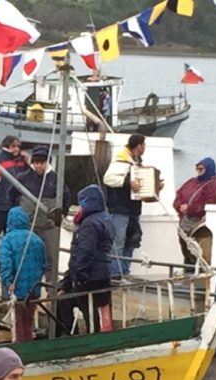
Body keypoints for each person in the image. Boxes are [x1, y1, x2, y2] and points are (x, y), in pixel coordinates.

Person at [18, 145, 71, 286]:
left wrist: (63, 213)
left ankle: (51, 287)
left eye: (42, 162)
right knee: (28, 256)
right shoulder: (23, 178)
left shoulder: (56, 179)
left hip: (49, 226)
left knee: (51, 258)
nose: (39, 166)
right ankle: (29, 286)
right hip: (29, 225)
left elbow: (66, 196)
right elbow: (11, 194)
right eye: (36, 162)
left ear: (47, 162)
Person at [67, 185, 116, 333]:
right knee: (103, 311)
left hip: (90, 276)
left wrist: (79, 275)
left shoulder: (89, 224)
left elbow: (85, 251)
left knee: (91, 314)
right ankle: (105, 336)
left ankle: (93, 338)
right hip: (103, 272)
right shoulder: (105, 218)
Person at [0, 207, 46, 342]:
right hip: (34, 287)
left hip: (16, 287)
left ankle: (19, 346)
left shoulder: (7, 240)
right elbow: (43, 263)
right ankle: (29, 344)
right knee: (28, 320)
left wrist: (8, 281)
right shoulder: (37, 239)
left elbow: (5, 263)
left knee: (17, 321)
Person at [103, 133, 148, 279]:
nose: (144, 148)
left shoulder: (136, 161)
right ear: (139, 145)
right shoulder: (121, 160)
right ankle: (115, 274)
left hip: (133, 208)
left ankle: (125, 271)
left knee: (132, 240)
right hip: (120, 208)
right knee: (118, 241)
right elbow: (108, 179)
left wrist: (153, 187)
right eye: (144, 145)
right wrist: (127, 183)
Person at [173, 157, 216, 266]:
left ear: (208, 169)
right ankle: (188, 267)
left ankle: (200, 268)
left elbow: (211, 204)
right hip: (185, 221)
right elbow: (179, 194)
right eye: (197, 169)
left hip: (200, 223)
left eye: (201, 169)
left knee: (202, 253)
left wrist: (190, 208)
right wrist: (179, 206)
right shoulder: (191, 182)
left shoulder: (214, 185)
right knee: (185, 248)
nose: (198, 172)